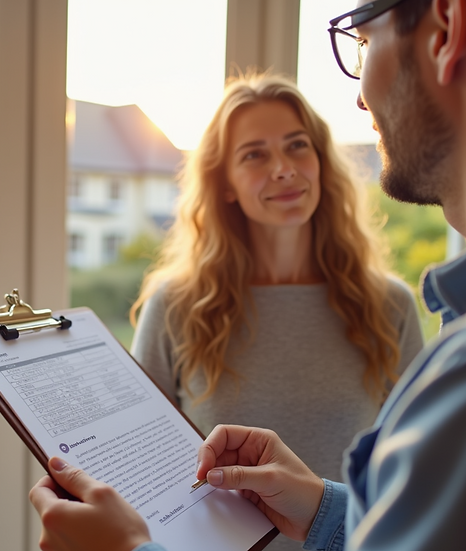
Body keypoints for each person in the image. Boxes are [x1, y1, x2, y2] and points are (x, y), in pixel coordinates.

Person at [29, 0, 466, 549]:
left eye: (361, 38)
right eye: (255, 155)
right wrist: (328, 511)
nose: (359, 93)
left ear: (446, 28)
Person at [127, 72, 424, 551]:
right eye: (255, 154)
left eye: (297, 146)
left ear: (321, 162)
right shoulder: (175, 305)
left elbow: (419, 475)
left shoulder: (390, 306)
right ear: (224, 184)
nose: (284, 168)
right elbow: (144, 471)